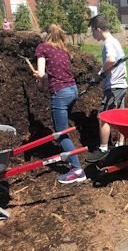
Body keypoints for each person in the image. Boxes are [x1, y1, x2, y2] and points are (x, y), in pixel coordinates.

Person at [33, 24, 86, 184]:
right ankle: (71, 154)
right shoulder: (62, 50)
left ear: (45, 34)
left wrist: (37, 74)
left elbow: (42, 73)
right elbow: (50, 76)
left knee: (61, 133)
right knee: (64, 128)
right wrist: (42, 82)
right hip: (73, 90)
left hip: (61, 93)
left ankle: (77, 170)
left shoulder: (42, 48)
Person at [86, 14, 128, 162]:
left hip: (114, 86)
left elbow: (110, 59)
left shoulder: (108, 43)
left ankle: (103, 148)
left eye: (93, 31)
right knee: (121, 117)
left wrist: (100, 74)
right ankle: (120, 145)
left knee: (103, 117)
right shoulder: (115, 41)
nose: (92, 34)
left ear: (98, 29)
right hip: (121, 85)